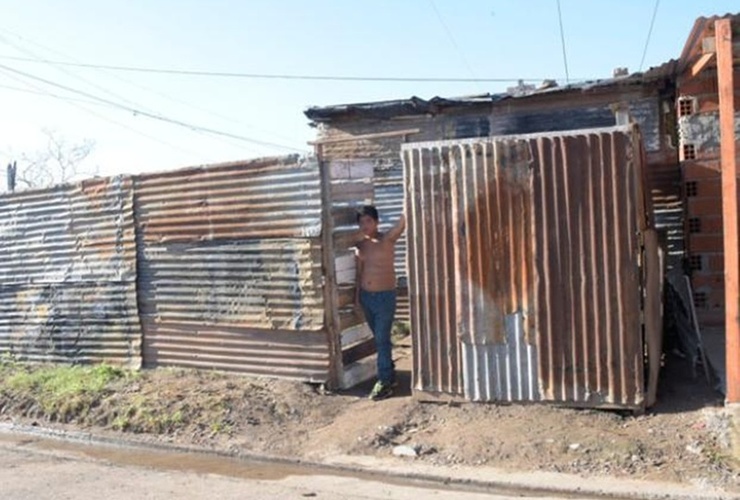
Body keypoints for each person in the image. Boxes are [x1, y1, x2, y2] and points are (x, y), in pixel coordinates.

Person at [354, 205, 406, 401]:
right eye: (361, 222)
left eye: (368, 221)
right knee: (380, 340)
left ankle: (384, 381)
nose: (365, 225)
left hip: (385, 298)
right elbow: (359, 274)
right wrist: (356, 298)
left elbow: (402, 224)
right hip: (367, 298)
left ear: (377, 222)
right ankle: (390, 374)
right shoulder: (360, 246)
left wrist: (408, 197)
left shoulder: (387, 240)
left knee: (381, 340)